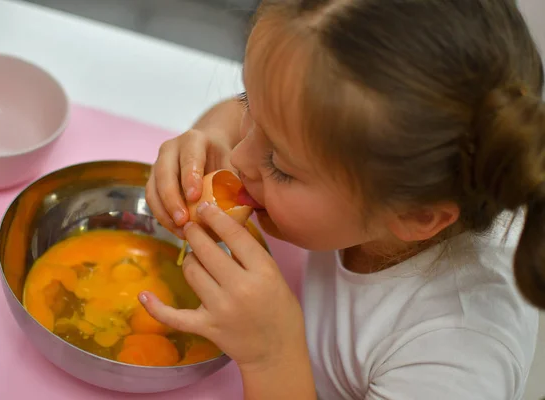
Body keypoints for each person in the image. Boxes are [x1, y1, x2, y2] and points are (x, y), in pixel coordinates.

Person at [142, 0, 544, 398]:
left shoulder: (454, 361)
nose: (240, 158)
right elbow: (276, 114)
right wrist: (212, 134)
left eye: (280, 165)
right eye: (250, 103)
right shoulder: (368, 169)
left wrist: (270, 355)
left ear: (416, 215)